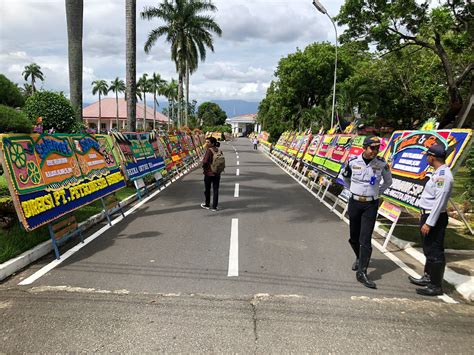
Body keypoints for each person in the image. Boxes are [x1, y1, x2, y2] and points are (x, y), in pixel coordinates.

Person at [341, 136, 392, 289]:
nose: (375, 151)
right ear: (365, 147)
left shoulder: (382, 164)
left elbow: (388, 182)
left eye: (378, 149)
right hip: (355, 203)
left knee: (366, 238)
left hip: (370, 204)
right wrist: (353, 191)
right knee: (353, 237)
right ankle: (359, 257)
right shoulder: (352, 162)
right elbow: (346, 177)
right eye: (372, 148)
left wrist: (377, 193)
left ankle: (362, 271)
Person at [408, 144, 453, 296]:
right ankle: (428, 277)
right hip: (428, 215)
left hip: (434, 217)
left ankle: (435, 285)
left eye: (427, 155)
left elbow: (440, 202)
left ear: (432, 157)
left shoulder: (443, 176)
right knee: (428, 250)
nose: (426, 158)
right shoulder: (438, 173)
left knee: (435, 251)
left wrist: (429, 222)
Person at [201, 136, 222, 212]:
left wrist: (204, 167)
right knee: (216, 190)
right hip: (217, 173)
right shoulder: (219, 150)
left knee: (207, 189)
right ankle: (214, 207)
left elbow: (205, 161)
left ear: (212, 143)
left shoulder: (209, 151)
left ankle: (207, 204)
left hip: (209, 173)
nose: (206, 143)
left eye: (208, 142)